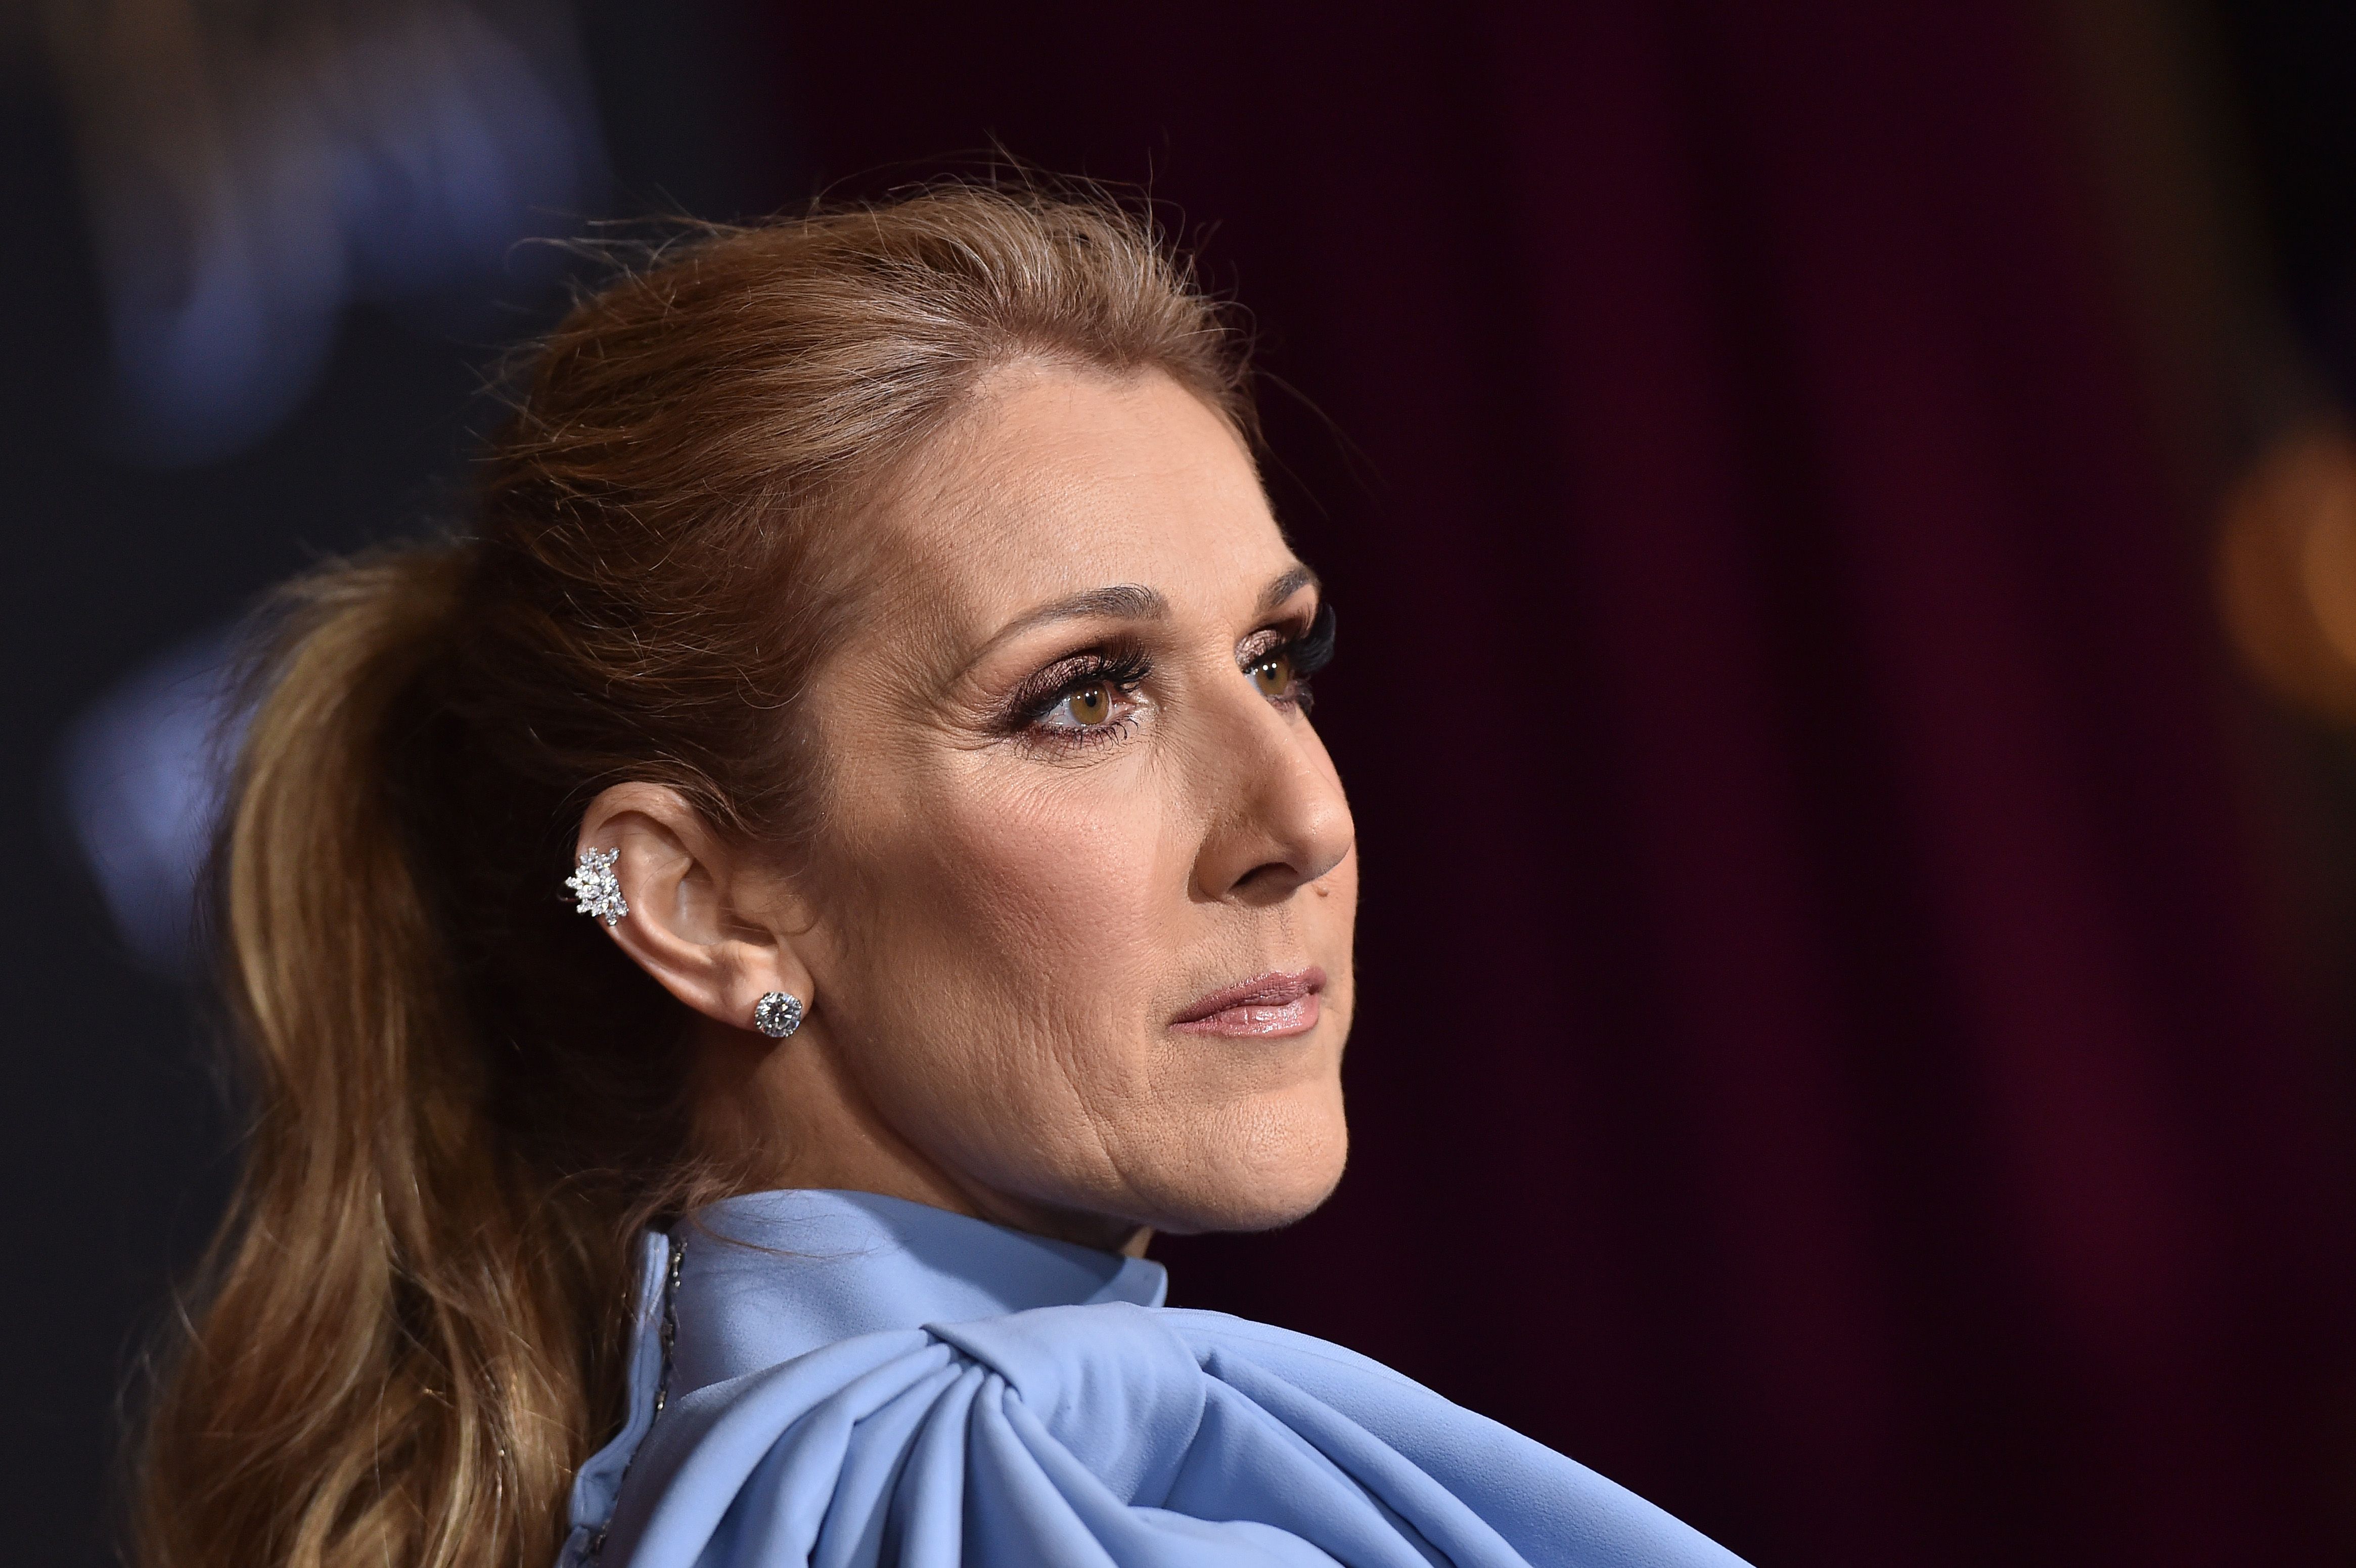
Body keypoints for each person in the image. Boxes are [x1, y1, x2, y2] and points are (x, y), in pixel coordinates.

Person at [135, 186, 1749, 1568]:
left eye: (1276, 659)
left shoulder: (747, 1489)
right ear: (697, 906)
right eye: (1082, 697)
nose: (1303, 819)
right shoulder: (1008, 1486)